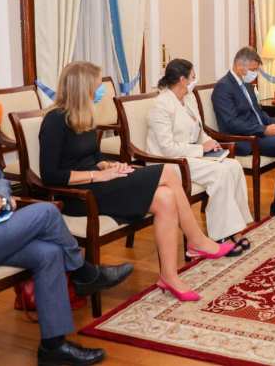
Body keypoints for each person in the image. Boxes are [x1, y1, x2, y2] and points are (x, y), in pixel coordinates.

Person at [0, 72, 133, 365]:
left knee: (49, 252)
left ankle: (53, 347)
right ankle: (84, 273)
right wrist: (2, 200)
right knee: (46, 211)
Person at [39, 61, 235, 304]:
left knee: (165, 198)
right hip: (79, 195)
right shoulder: (55, 121)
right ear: (83, 87)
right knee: (167, 173)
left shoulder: (85, 115)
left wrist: (108, 166)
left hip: (100, 183)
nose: (101, 91)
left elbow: (93, 157)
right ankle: (196, 240)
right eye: (98, 86)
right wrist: (96, 175)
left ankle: (169, 277)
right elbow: (50, 175)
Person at [147, 59, 253, 255]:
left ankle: (235, 229)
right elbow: (167, 148)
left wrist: (211, 143)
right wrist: (200, 149)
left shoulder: (188, 99)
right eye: (192, 77)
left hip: (190, 155)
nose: (194, 81)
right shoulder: (161, 105)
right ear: (182, 80)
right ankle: (221, 235)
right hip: (169, 162)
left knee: (233, 166)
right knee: (220, 172)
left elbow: (199, 131)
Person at [212, 46, 275, 219]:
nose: (255, 74)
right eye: (253, 70)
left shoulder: (246, 85)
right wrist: (264, 130)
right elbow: (231, 123)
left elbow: (259, 113)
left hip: (259, 132)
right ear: (239, 66)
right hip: (245, 139)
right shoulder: (223, 88)